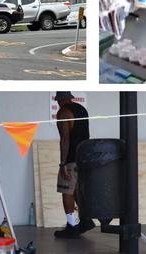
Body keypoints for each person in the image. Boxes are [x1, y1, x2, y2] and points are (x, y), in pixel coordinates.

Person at [53, 91, 93, 239]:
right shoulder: (82, 109)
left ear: (59, 100)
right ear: (70, 98)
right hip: (85, 156)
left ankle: (72, 225)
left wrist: (63, 163)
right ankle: (86, 219)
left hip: (71, 158)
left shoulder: (63, 112)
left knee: (67, 191)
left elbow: (65, 139)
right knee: (77, 190)